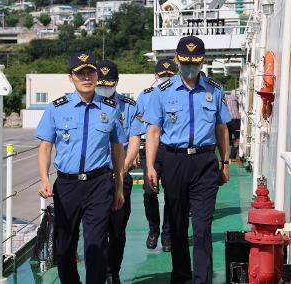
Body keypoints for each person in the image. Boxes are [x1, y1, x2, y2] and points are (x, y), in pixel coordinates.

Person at [145, 35, 231, 284]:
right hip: (174, 161)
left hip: (205, 162)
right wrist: (150, 165)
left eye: (195, 62)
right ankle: (181, 277)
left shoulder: (214, 90)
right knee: (178, 225)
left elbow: (221, 129)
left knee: (203, 227)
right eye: (185, 62)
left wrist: (225, 162)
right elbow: (153, 131)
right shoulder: (162, 91)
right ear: (177, 60)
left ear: (202, 61)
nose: (190, 67)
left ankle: (202, 279)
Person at [35, 51, 126, 284]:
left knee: (96, 246)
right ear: (71, 77)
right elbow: (45, 147)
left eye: (90, 72)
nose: (86, 77)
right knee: (64, 248)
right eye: (81, 73)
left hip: (99, 184)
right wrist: (44, 178)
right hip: (67, 185)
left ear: (96, 75)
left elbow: (117, 149)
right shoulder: (56, 108)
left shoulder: (110, 108)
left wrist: (119, 188)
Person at [95, 59, 146, 284]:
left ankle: (112, 272)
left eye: (109, 83)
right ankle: (100, 273)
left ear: (116, 82)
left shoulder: (129, 105)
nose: (104, 87)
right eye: (101, 83)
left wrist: (123, 168)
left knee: (117, 231)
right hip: (95, 177)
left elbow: (134, 140)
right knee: (96, 230)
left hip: (120, 176)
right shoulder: (88, 104)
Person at [136, 57, 177, 252]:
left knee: (172, 193)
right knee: (149, 191)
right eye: (163, 76)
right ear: (155, 76)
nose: (166, 79)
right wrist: (134, 148)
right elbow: (136, 125)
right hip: (149, 148)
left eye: (170, 75)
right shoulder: (145, 96)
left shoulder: (180, 95)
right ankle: (153, 229)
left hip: (170, 148)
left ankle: (167, 234)